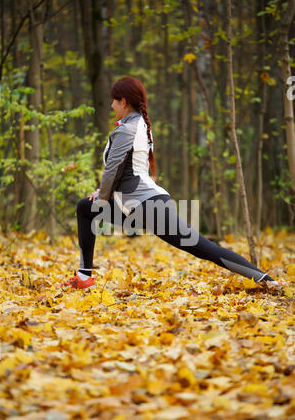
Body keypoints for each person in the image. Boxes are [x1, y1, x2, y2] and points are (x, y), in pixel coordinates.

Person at [62, 76, 278, 290]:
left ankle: (266, 279)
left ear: (124, 102)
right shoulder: (140, 126)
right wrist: (102, 192)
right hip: (137, 206)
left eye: (114, 100)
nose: (111, 105)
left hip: (148, 207)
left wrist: (102, 199)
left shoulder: (127, 129)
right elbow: (129, 170)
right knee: (84, 207)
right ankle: (83, 277)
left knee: (203, 248)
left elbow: (112, 169)